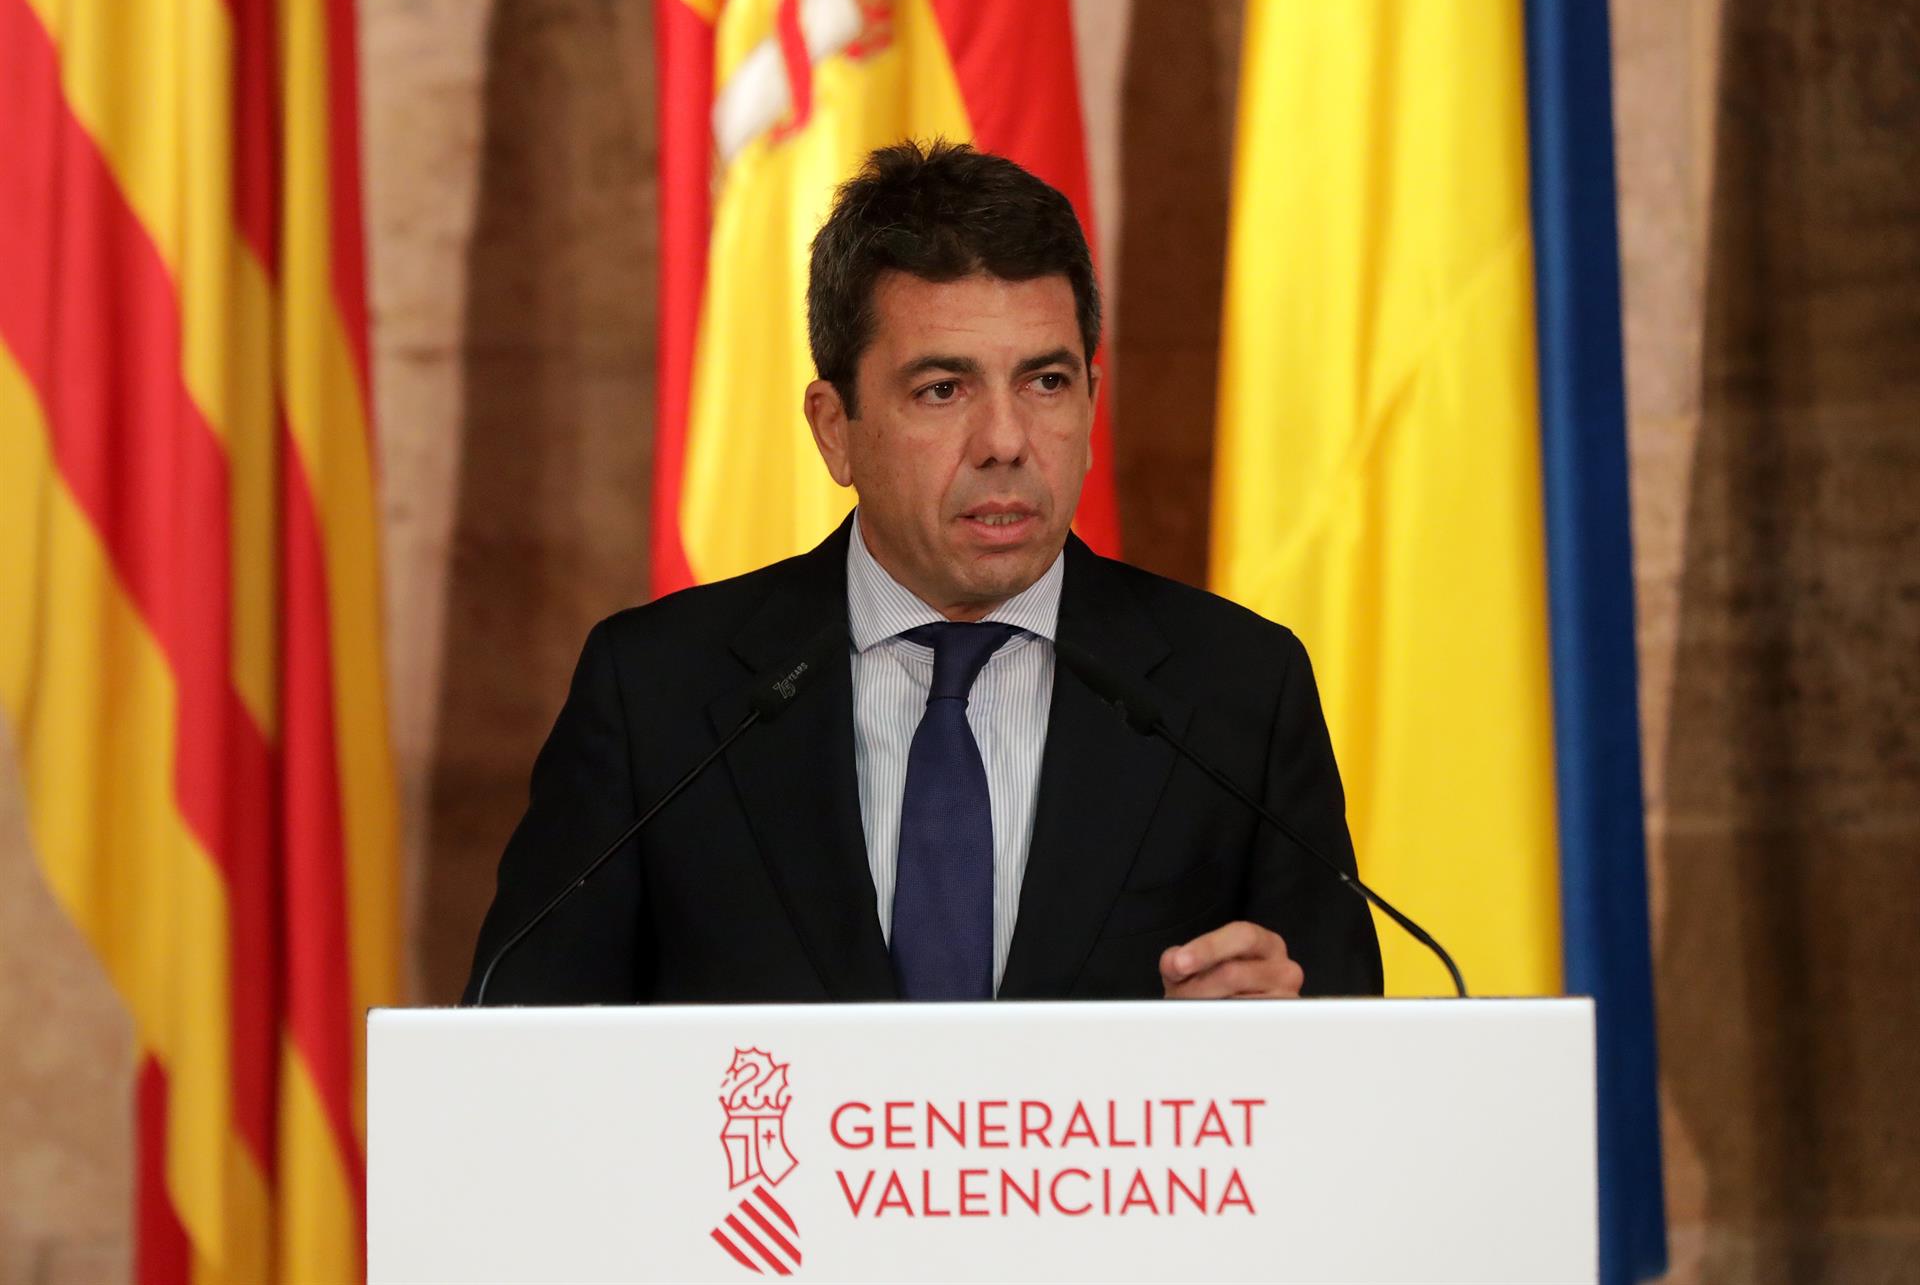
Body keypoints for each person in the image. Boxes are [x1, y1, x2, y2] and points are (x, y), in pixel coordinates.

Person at [463, 141, 1382, 1005]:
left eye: (1047, 383)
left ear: (1092, 403)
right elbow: (516, 1053)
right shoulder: (658, 698)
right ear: (835, 428)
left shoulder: (1236, 696)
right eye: (943, 389)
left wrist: (1291, 1034)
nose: (1007, 442)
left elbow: (1355, 1058)